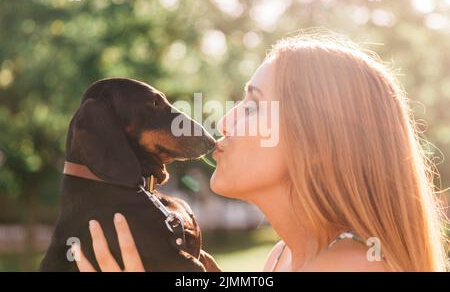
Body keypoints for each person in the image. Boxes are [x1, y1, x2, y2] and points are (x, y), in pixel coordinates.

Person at [73, 32, 448, 272]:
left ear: (317, 142)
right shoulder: (283, 258)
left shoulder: (350, 267)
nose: (224, 122)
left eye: (252, 107)